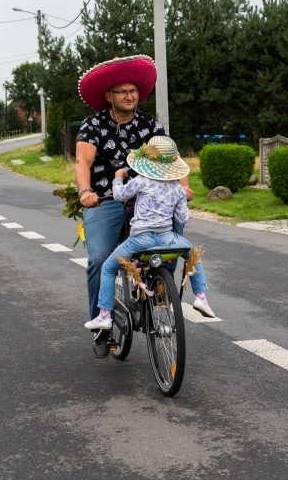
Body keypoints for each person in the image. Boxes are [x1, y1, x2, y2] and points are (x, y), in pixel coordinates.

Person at [74, 54, 196, 357]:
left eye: (133, 91)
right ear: (109, 96)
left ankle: (160, 284)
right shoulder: (94, 125)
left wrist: (183, 187)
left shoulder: (150, 126)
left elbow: (172, 160)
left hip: (149, 198)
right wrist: (86, 191)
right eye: (122, 91)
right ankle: (101, 325)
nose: (130, 96)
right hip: (108, 197)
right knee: (101, 258)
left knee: (175, 238)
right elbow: (82, 162)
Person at [84, 135, 214, 335]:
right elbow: (182, 217)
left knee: (108, 268)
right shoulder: (178, 189)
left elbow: (119, 195)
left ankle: (104, 316)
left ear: (146, 163)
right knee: (193, 254)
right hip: (166, 238)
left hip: (139, 239)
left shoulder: (142, 181)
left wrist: (118, 177)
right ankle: (201, 297)